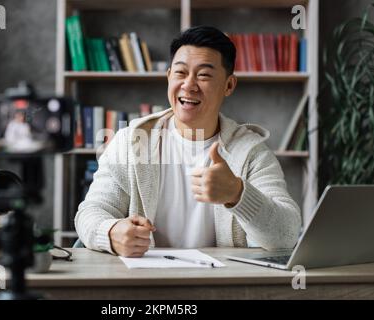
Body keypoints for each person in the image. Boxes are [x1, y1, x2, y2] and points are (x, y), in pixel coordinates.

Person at [75, 26, 301, 257]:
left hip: (220, 286)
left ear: (229, 85)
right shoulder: (132, 142)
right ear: (168, 77)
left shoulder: (251, 152)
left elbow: (286, 235)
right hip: (143, 282)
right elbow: (90, 213)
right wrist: (112, 232)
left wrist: (237, 194)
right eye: (181, 73)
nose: (189, 85)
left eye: (203, 75)